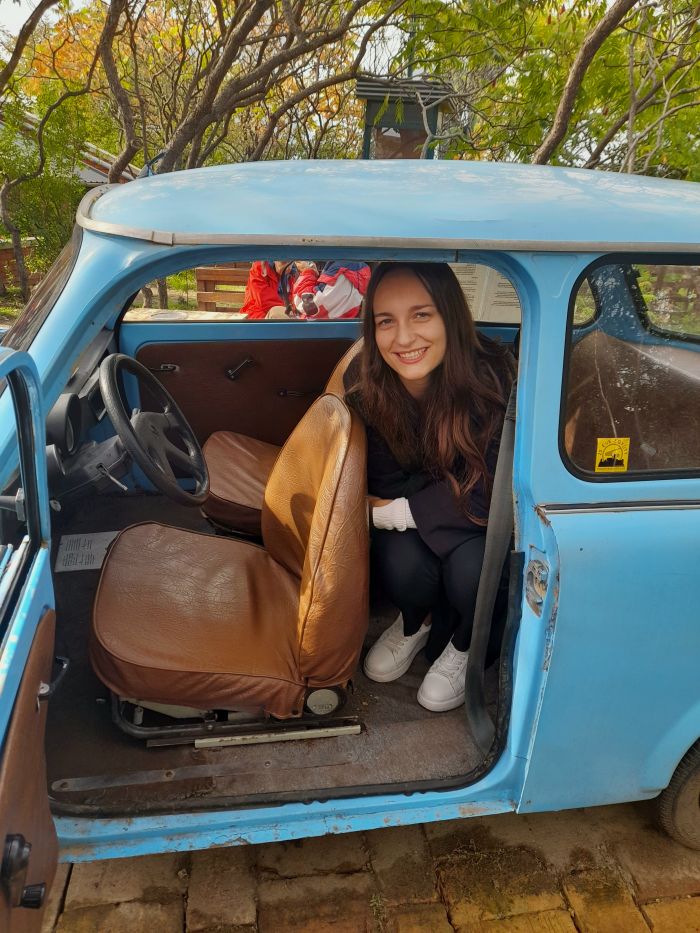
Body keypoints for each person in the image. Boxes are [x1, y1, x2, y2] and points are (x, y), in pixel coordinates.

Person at [344, 262, 514, 712]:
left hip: (481, 521)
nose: (403, 338)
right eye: (386, 321)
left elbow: (495, 485)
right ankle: (414, 623)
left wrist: (395, 511)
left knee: (474, 573)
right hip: (439, 508)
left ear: (450, 315)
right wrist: (438, 495)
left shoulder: (496, 376)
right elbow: (384, 478)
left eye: (421, 315)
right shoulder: (367, 382)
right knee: (400, 563)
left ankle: (465, 643)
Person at [290, 261, 370, 320]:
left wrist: (308, 272)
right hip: (339, 331)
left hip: (325, 332)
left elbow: (308, 306)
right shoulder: (350, 266)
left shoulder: (342, 268)